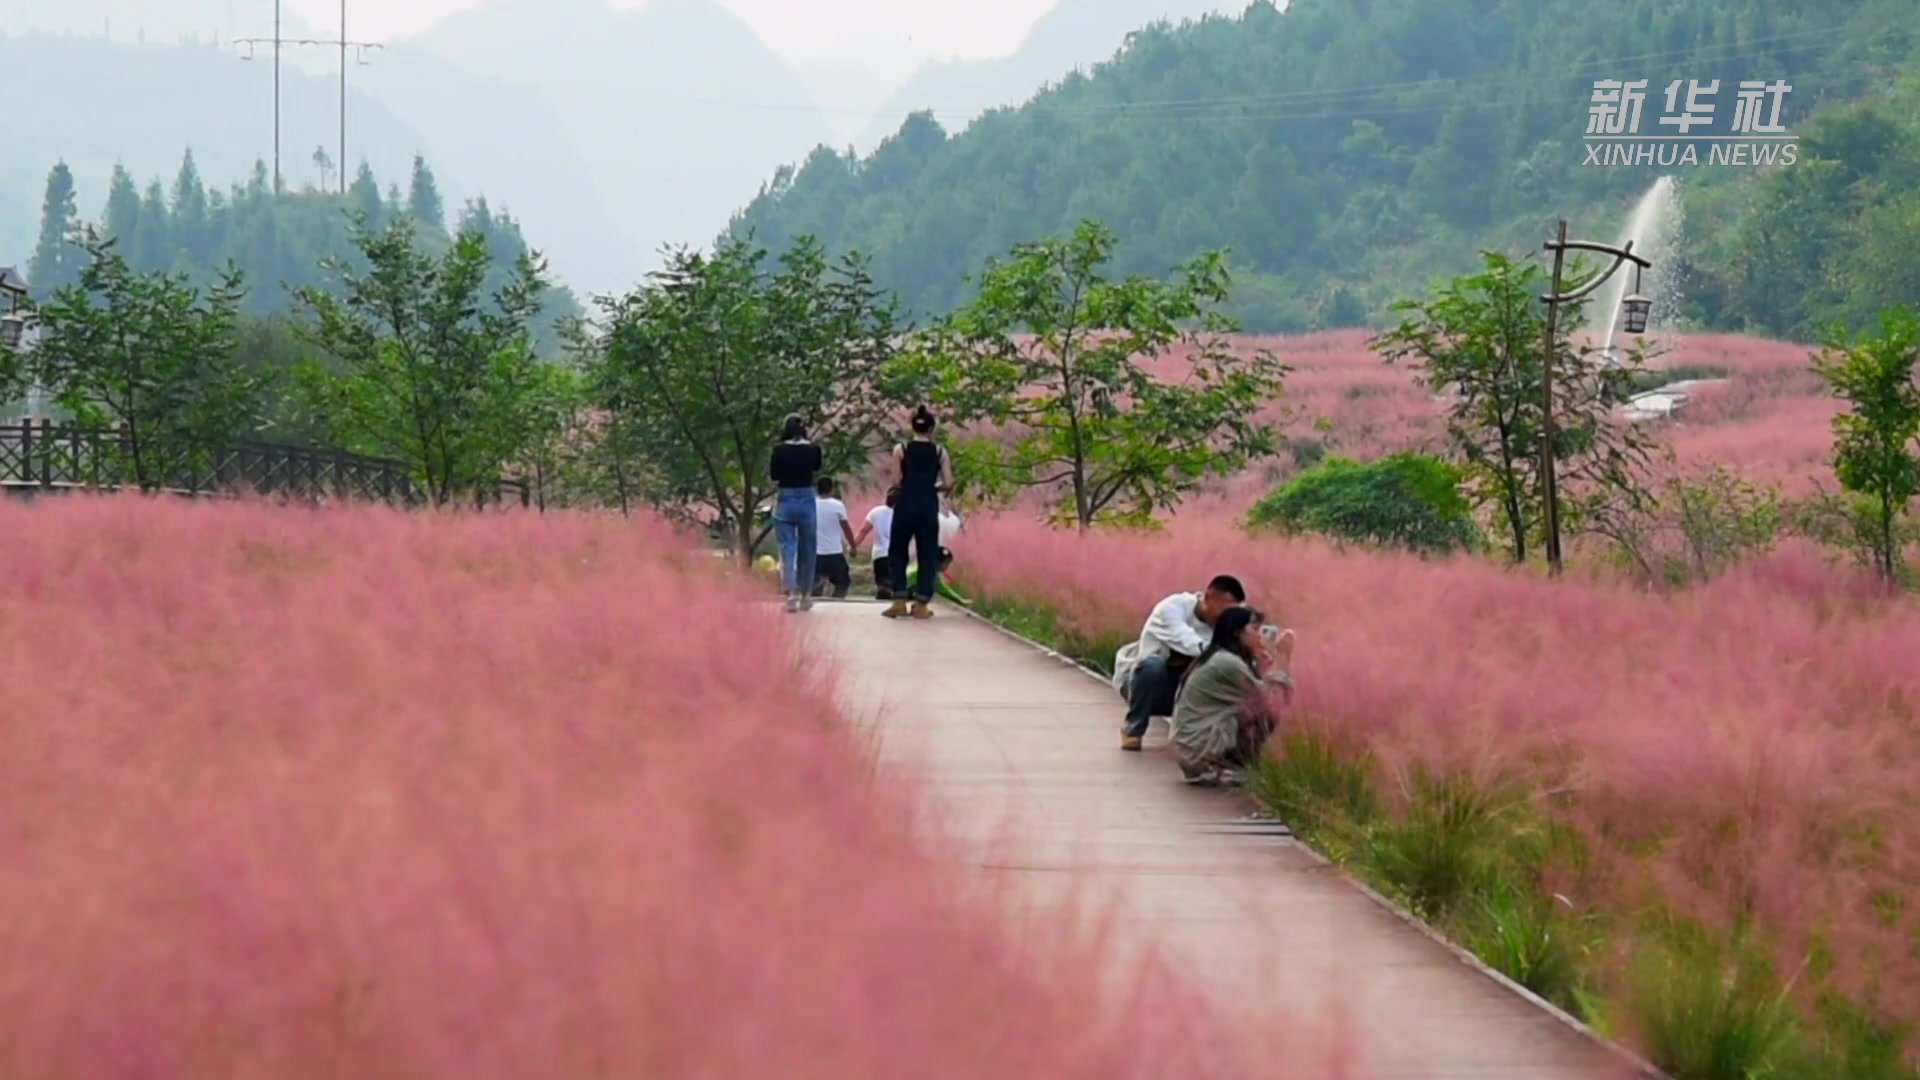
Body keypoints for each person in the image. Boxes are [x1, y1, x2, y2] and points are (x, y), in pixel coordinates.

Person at [1111, 575, 1247, 751]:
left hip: (1180, 693)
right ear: (1208, 598)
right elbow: (1188, 642)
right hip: (1140, 685)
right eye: (1225, 609)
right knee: (1153, 666)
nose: (1227, 617)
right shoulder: (1172, 608)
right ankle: (1133, 728)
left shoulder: (1222, 627)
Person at [1170, 607, 1294, 787]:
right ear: (1238, 633)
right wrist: (1283, 659)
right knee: (1264, 714)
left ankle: (1229, 768)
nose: (1259, 635)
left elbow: (1254, 690)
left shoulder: (1218, 657)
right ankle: (1232, 769)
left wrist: (1261, 665)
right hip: (1199, 754)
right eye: (1254, 629)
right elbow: (1274, 701)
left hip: (1192, 750)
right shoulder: (1227, 663)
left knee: (1255, 709)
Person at [883, 406, 953, 620]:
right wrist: (935, 487)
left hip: (905, 505)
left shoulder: (900, 449)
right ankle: (921, 604)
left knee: (898, 552)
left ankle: (899, 601)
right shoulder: (940, 451)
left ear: (912, 426)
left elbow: (895, 482)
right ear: (931, 428)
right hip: (928, 506)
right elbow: (949, 483)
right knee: (928, 554)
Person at [768, 414, 823, 613]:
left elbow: (774, 476)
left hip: (785, 498)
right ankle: (807, 596)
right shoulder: (813, 449)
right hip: (807, 498)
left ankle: (791, 595)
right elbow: (817, 468)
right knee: (808, 548)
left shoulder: (778, 450)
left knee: (787, 549)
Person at [810, 476, 859, 599]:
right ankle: (836, 601)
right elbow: (846, 528)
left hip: (815, 553)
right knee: (843, 581)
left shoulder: (810, 504)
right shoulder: (838, 505)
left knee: (814, 581)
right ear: (831, 489)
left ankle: (817, 592)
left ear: (817, 489)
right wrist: (853, 546)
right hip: (834, 552)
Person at [853, 487, 898, 600]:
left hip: (879, 556)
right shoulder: (901, 515)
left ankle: (882, 599)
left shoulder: (875, 511)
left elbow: (864, 531)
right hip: (895, 556)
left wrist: (853, 546)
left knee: (882, 585)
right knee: (894, 585)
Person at [903, 547, 969, 607]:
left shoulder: (922, 566)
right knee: (929, 589)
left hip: (899, 590)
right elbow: (944, 590)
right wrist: (960, 600)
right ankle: (919, 607)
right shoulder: (930, 573)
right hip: (903, 592)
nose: (947, 566)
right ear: (937, 562)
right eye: (946, 563)